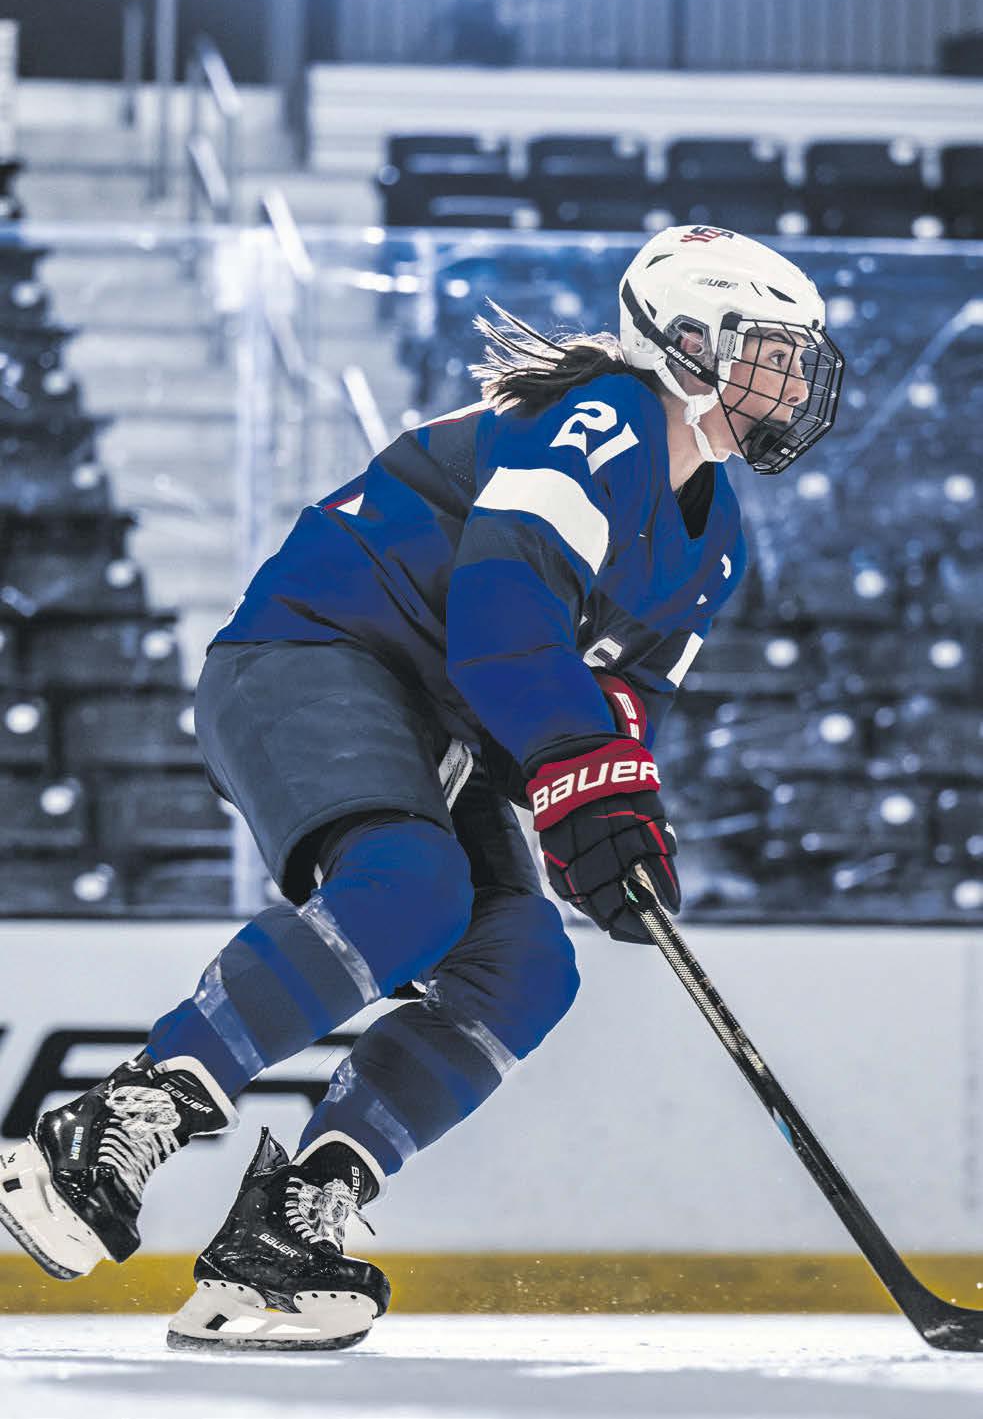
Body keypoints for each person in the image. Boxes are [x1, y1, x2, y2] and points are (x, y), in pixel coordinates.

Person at [0, 225, 844, 1351]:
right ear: (681, 341)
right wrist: (578, 775)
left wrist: (611, 809)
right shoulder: (605, 415)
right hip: (314, 653)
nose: (787, 382)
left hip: (442, 717)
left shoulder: (716, 536)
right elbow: (505, 611)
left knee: (525, 968)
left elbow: (623, 692)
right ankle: (115, 1119)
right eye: (765, 352)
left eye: (796, 360)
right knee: (409, 887)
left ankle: (285, 1226)